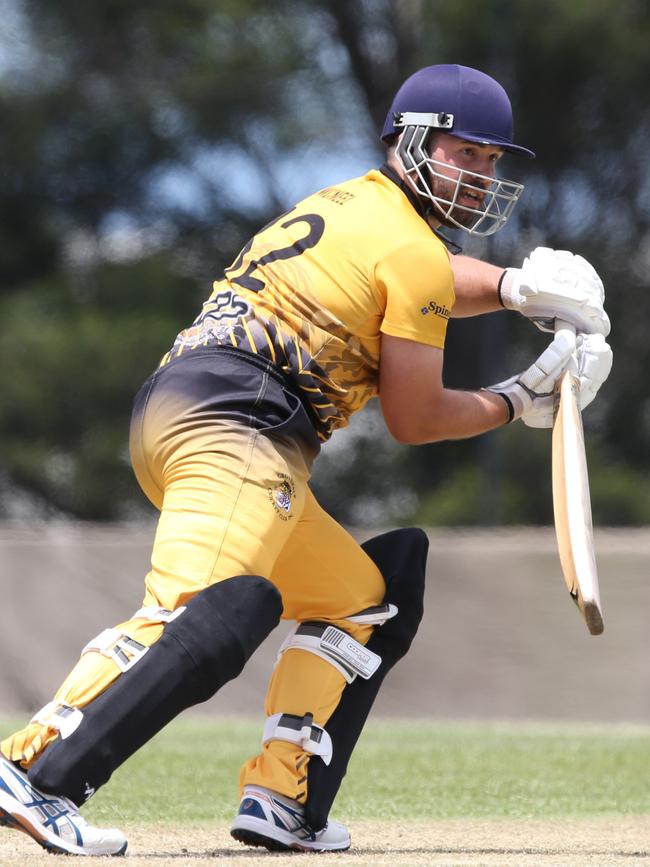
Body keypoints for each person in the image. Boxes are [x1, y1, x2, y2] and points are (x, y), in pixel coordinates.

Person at [0, 63, 612, 856]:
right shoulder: (412, 248)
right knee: (204, 610)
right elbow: (416, 418)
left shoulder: (347, 202)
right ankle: (33, 772)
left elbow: (413, 277)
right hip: (240, 423)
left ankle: (283, 799)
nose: (485, 176)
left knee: (365, 596)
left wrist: (515, 287)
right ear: (415, 142)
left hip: (189, 410)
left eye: (495, 162)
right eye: (470, 155)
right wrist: (519, 400)